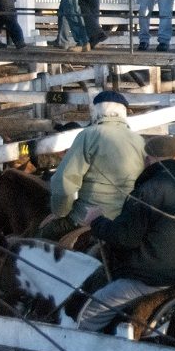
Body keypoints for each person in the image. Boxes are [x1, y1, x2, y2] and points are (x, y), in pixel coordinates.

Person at [76, 135, 175, 334]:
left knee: (89, 316)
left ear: (147, 160)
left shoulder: (147, 191)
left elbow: (126, 238)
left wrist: (97, 221)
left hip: (151, 280)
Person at [39, 91, 146, 241]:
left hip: (89, 216)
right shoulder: (139, 140)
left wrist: (60, 212)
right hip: (128, 217)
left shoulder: (88, 135)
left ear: (96, 110)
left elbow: (65, 181)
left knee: (42, 238)